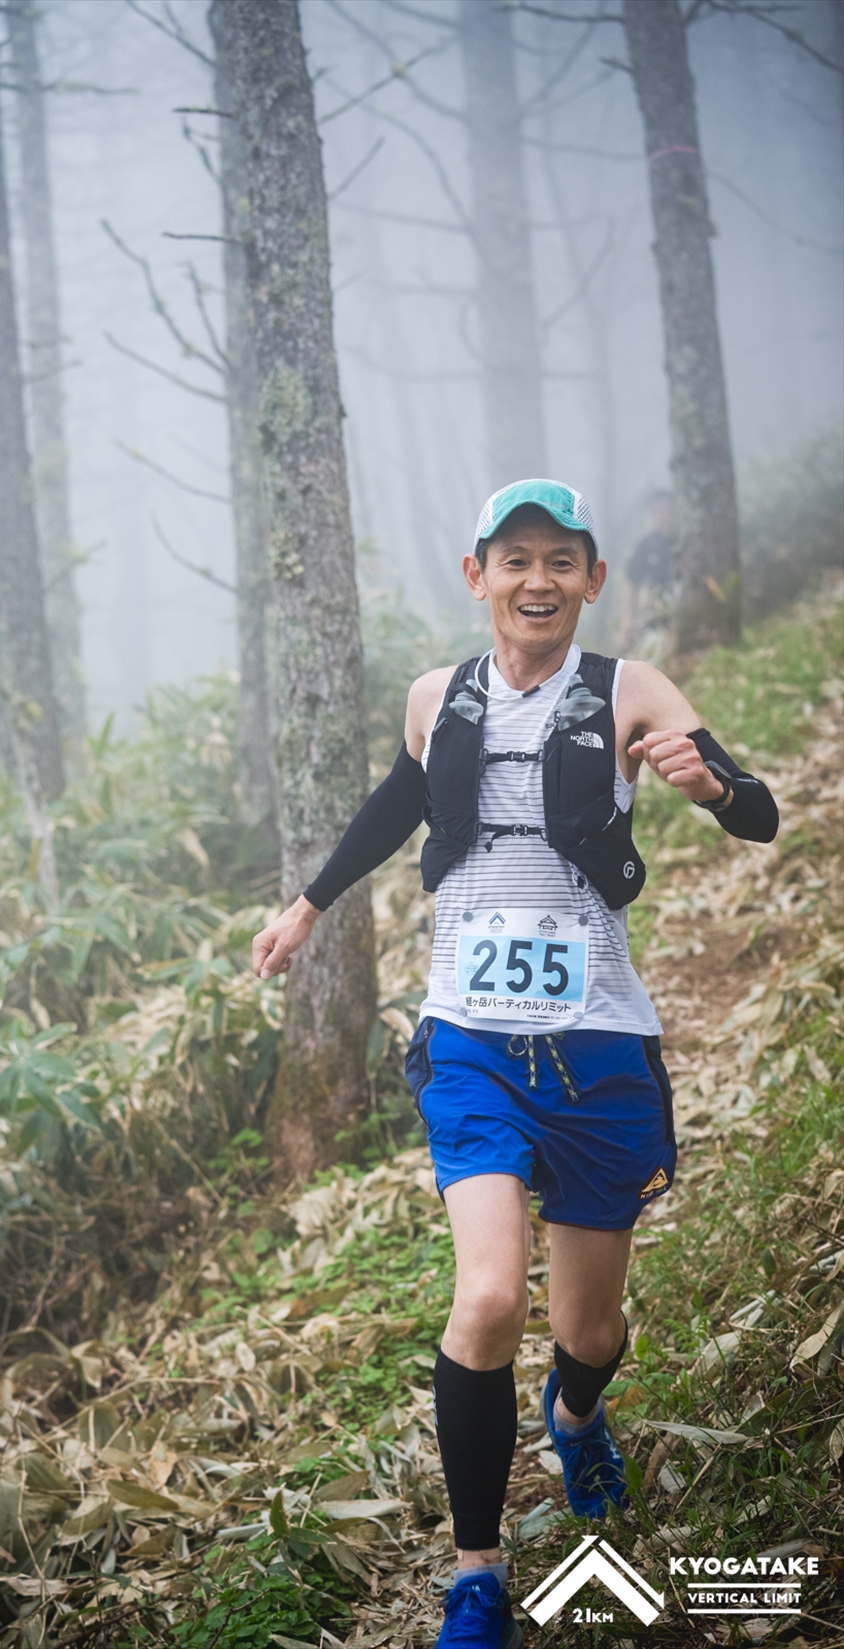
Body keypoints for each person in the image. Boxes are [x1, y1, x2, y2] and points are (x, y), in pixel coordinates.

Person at [251, 479, 778, 1649]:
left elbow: (758, 814)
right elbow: (395, 804)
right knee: (488, 1295)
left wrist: (710, 785)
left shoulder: (628, 689)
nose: (535, 579)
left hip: (597, 1047)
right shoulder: (433, 696)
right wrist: (306, 905)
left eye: (558, 559)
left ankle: (575, 1414)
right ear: (476, 574)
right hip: (470, 1041)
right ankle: (476, 1571)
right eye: (513, 558)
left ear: (591, 578)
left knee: (588, 1329)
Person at [619, 489, 676, 656]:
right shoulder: (647, 544)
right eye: (658, 511)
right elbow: (633, 581)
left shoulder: (686, 541)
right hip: (656, 616)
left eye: (667, 509)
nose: (663, 515)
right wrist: (627, 621)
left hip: (684, 612)